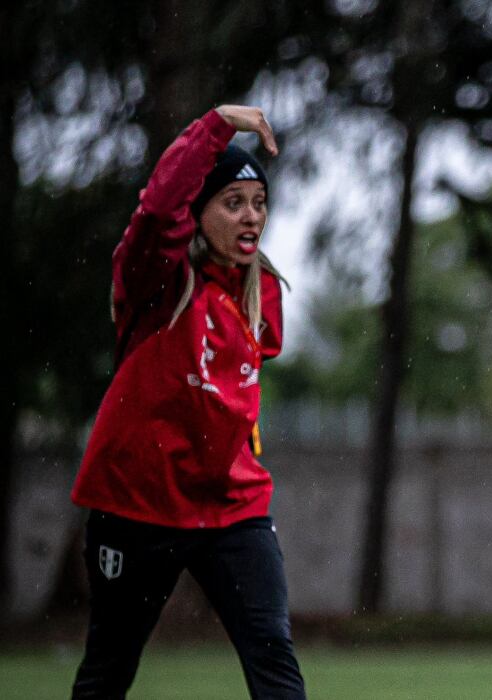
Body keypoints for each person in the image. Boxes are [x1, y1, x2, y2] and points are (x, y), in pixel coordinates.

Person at [69, 105, 306, 699]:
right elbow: (155, 210)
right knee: (109, 668)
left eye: (258, 202)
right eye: (232, 202)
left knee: (273, 652)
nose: (251, 216)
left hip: (233, 509)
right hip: (136, 505)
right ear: (198, 217)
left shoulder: (262, 295)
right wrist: (217, 125)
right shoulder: (156, 282)